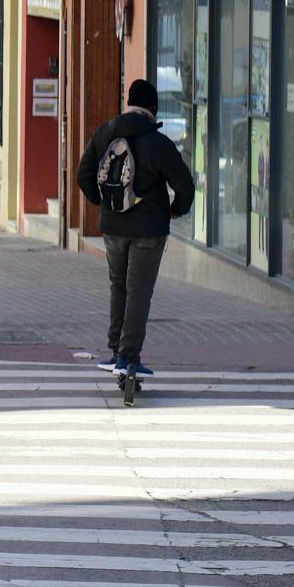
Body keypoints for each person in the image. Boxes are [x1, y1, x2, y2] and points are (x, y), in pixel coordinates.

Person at [76, 78, 195, 380]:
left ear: (128, 103)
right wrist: (175, 210)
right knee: (139, 292)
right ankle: (129, 357)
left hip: (113, 227)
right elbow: (185, 186)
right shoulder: (159, 143)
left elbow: (83, 175)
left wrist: (102, 202)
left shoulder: (104, 133)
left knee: (119, 286)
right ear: (153, 108)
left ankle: (116, 351)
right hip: (149, 230)